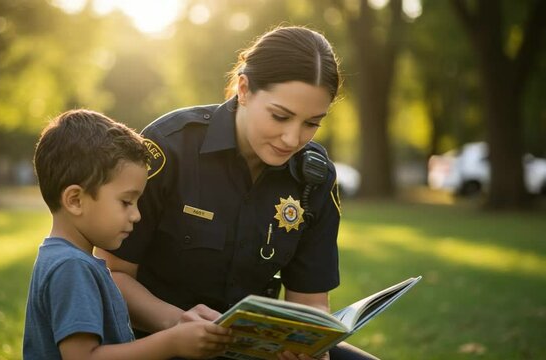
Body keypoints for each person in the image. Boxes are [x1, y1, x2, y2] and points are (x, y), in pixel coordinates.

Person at [96, 26, 379, 360]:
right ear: (244, 89)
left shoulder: (314, 178)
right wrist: (176, 322)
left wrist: (310, 347)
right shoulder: (170, 147)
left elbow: (310, 302)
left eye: (311, 123)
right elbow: (110, 274)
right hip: (158, 341)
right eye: (280, 116)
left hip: (255, 350)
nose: (292, 139)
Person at [23, 109, 232, 360]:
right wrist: (171, 342)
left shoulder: (69, 260)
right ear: (75, 200)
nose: (137, 216)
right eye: (126, 202)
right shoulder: (72, 266)